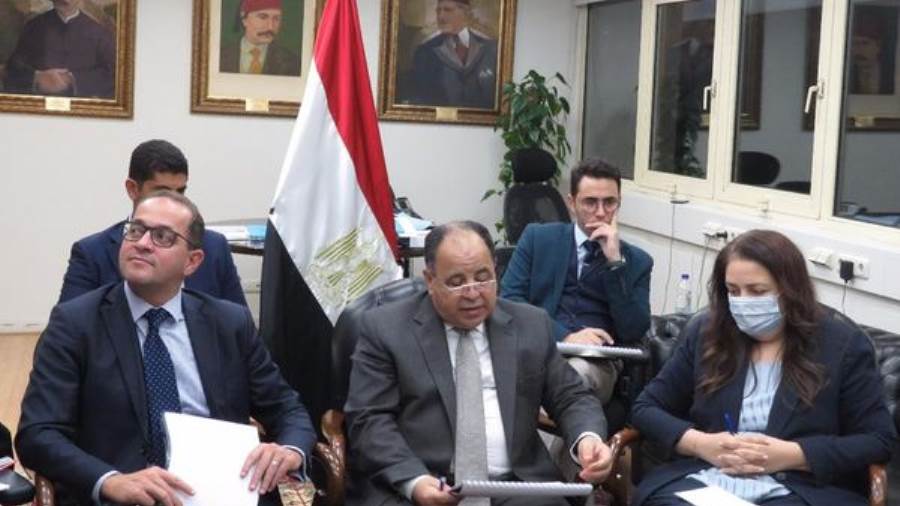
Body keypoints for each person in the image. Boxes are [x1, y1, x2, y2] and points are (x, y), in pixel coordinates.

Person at [17, 191, 316, 506]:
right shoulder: (75, 323)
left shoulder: (229, 323)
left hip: (221, 492)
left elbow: (287, 409)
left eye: (162, 237)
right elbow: (38, 433)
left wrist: (289, 450)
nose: (143, 243)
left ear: (192, 261)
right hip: (125, 496)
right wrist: (109, 480)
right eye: (136, 230)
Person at [344, 221, 612, 506]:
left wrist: (587, 438)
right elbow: (369, 419)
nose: (473, 294)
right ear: (430, 280)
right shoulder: (385, 329)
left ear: (496, 271)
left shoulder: (530, 324)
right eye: (457, 282)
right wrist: (414, 480)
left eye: (483, 278)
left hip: (516, 487)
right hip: (422, 483)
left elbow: (571, 396)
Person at [631, 229, 896, 506]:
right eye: (733, 291)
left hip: (799, 487)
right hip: (708, 477)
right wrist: (701, 444)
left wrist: (796, 454)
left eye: (757, 291)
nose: (743, 302)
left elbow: (878, 439)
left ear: (790, 290)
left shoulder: (842, 345)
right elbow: (645, 408)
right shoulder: (708, 334)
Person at [500, 159, 653, 405]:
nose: (601, 212)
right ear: (571, 203)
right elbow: (510, 301)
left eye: (609, 202)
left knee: (572, 377)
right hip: (538, 348)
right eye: (590, 202)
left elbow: (633, 330)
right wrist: (566, 336)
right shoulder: (538, 239)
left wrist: (615, 263)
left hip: (595, 362)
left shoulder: (637, 261)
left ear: (619, 203)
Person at [58, 139, 247, 306]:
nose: (172, 201)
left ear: (193, 260)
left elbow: (239, 327)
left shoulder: (213, 247)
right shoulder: (92, 253)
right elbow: (68, 328)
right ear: (133, 189)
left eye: (180, 192)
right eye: (161, 191)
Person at [4, 0, 115, 98]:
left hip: (81, 108)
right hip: (39, 106)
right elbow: (13, 69)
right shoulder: (33, 26)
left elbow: (113, 74)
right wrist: (37, 77)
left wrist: (72, 79)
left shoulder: (98, 33)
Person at [401, 0, 498, 109]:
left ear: (465, 12)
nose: (441, 16)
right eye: (438, 11)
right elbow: (417, 96)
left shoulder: (490, 48)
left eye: (448, 10)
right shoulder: (425, 52)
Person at [220, 0, 300, 77]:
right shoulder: (220, 56)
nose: (270, 27)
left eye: (276, 18)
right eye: (263, 17)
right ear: (244, 19)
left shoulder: (292, 63)